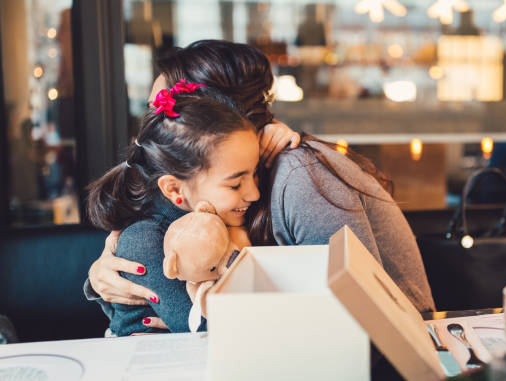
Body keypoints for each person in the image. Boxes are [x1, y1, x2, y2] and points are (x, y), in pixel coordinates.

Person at [86, 40, 435, 330]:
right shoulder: (210, 183)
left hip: (396, 345)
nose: (157, 125)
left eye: (165, 111)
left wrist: (204, 325)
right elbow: (148, 234)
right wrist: (102, 277)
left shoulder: (297, 173)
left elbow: (361, 306)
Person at [86, 87, 260, 335]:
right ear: (174, 189)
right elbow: (204, 327)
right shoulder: (143, 240)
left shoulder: (221, 215)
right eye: (235, 184)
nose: (255, 193)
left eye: (256, 174)